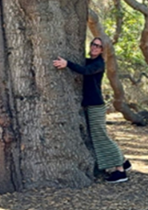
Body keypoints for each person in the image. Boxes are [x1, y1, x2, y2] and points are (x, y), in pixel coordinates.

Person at [53, 37, 130, 183]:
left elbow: (85, 71)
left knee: (101, 137)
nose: (94, 47)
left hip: (96, 105)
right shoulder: (90, 60)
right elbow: (82, 65)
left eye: (98, 46)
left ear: (102, 50)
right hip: (90, 105)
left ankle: (121, 170)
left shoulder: (99, 63)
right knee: (99, 136)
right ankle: (124, 162)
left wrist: (67, 64)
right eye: (93, 44)